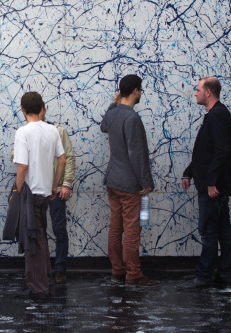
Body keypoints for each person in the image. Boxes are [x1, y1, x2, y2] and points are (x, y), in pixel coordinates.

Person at [101, 74, 159, 286]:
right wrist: (146, 183)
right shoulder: (132, 118)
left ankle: (117, 270)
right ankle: (133, 275)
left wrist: (113, 103)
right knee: (132, 231)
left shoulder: (114, 114)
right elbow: (137, 154)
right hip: (129, 184)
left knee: (116, 228)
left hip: (113, 181)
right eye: (141, 89)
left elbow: (103, 126)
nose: (141, 93)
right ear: (135, 90)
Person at [180, 77, 231, 288]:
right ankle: (224, 273)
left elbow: (222, 151)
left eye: (197, 90)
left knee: (208, 230)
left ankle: (204, 275)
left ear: (208, 93)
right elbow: (206, 152)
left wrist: (212, 182)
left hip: (212, 186)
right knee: (222, 228)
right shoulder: (215, 115)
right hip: (212, 183)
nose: (194, 93)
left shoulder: (217, 116)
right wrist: (189, 172)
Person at [13, 92, 66, 296]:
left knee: (34, 239)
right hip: (45, 192)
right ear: (42, 107)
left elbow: (22, 166)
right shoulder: (52, 130)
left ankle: (38, 287)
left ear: (23, 109)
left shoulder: (23, 133)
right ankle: (46, 279)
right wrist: (54, 185)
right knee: (41, 235)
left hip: (30, 192)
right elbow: (62, 159)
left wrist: (17, 191)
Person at [41, 113, 76, 284]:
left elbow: (68, 157)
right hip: (37, 188)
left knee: (59, 228)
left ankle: (60, 268)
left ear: (44, 110)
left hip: (57, 185)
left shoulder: (58, 131)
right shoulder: (26, 132)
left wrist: (67, 183)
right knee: (37, 230)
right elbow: (15, 155)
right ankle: (42, 268)